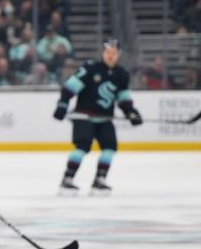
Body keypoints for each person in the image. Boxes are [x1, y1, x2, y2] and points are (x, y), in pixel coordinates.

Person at [53, 38, 142, 195]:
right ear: (103, 53)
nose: (110, 55)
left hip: (104, 118)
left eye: (114, 53)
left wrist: (131, 113)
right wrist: (62, 105)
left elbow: (124, 99)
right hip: (83, 116)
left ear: (118, 54)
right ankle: (67, 179)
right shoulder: (91, 68)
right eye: (108, 52)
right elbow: (69, 89)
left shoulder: (121, 74)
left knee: (110, 148)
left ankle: (99, 180)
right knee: (82, 147)